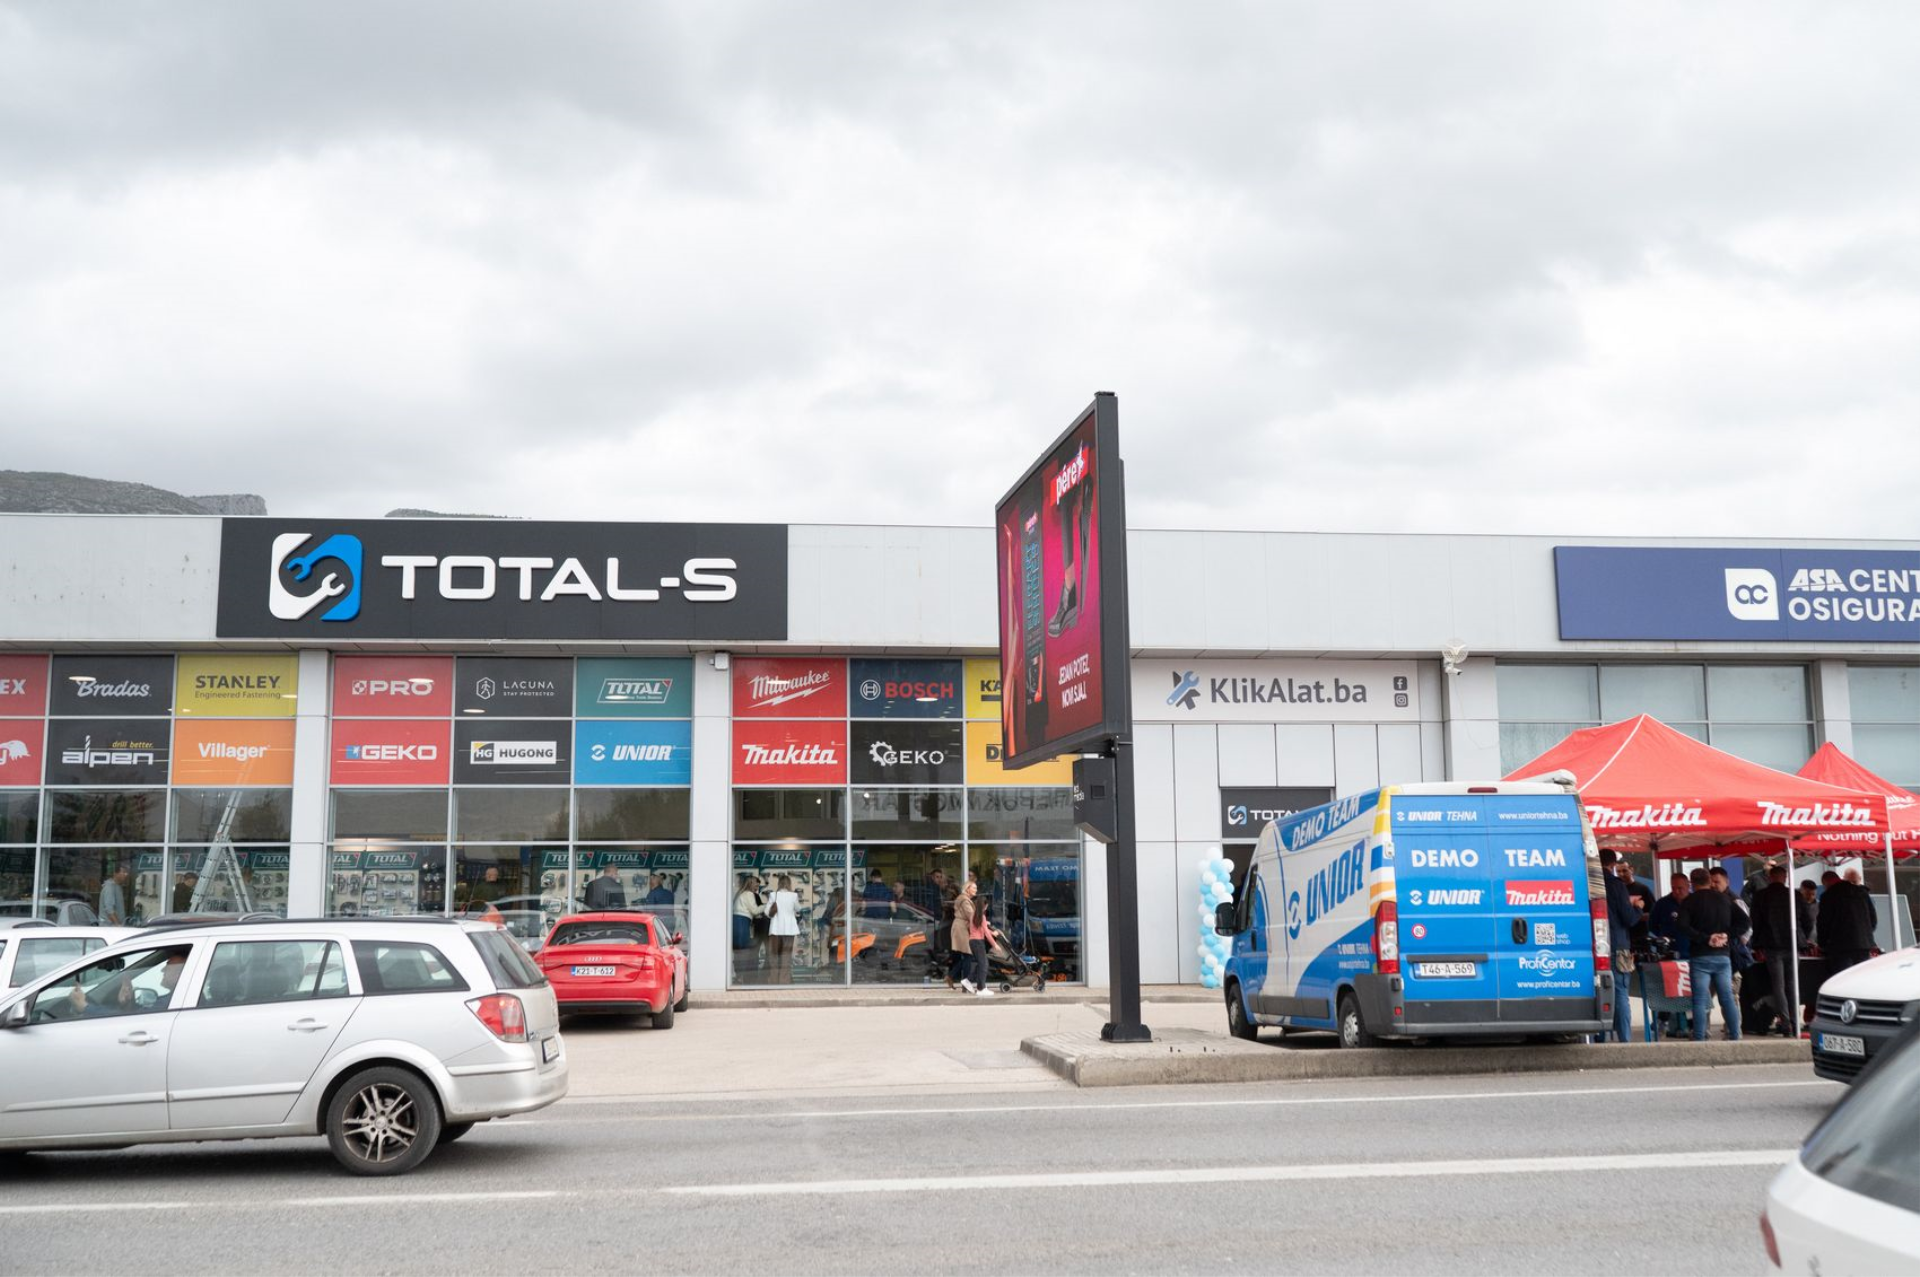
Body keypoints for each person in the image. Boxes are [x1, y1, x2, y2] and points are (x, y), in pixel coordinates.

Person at [1679, 865, 1742, 1041]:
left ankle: (1699, 1037)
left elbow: (1682, 926)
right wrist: (1726, 935)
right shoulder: (1725, 899)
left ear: (1692, 884)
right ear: (1709, 881)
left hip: (1700, 956)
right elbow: (1745, 922)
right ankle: (1735, 1035)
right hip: (1723, 956)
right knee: (1727, 998)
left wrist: (1705, 938)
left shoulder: (1689, 901)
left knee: (1699, 1000)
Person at [1748, 864, 1801, 1037]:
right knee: (1792, 985)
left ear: (1770, 877)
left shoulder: (1761, 896)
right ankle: (1795, 1021)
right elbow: (1806, 919)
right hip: (1793, 944)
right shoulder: (1794, 895)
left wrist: (1757, 945)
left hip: (1772, 945)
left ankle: (1786, 1024)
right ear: (1785, 877)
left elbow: (1755, 921)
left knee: (1778, 986)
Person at [1599, 851, 1642, 1043]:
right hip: (1619, 946)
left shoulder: (1588, 883)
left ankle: (1599, 1038)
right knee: (1621, 994)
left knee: (1598, 993)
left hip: (1596, 947)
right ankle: (1625, 1040)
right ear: (1613, 864)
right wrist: (1638, 907)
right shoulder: (1617, 885)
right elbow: (1629, 919)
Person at [1816, 868, 1879, 976]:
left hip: (1840, 946)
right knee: (1861, 978)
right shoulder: (1862, 892)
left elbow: (1823, 923)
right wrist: (1865, 935)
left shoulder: (1828, 896)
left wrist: (1822, 943)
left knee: (1843, 979)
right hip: (1863, 945)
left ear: (1825, 882)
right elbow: (1873, 919)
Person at [765, 874, 800, 983]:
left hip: (775, 930)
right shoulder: (794, 895)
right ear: (789, 883)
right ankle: (784, 982)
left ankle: (774, 981)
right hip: (789, 930)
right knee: (786, 957)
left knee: (774, 957)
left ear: (779, 883)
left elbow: (766, 912)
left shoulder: (773, 895)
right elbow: (798, 909)